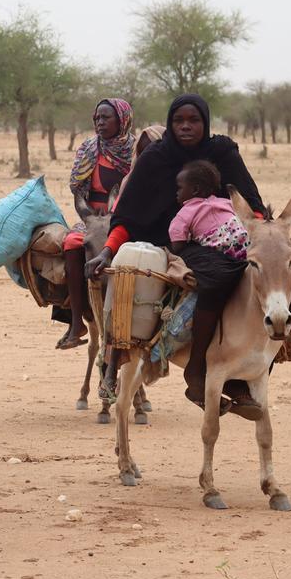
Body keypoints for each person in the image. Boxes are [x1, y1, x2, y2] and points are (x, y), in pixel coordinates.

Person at [87, 94, 267, 418]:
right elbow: (127, 217)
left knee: (267, 284)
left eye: (193, 120)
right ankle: (195, 371)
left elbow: (251, 203)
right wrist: (107, 251)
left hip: (222, 240)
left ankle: (245, 372)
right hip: (168, 245)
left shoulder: (223, 153)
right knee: (213, 279)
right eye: (178, 121)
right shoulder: (155, 158)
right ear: (170, 123)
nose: (185, 126)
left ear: (205, 122)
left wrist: (270, 240)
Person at [56, 99, 135, 350]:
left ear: (122, 120)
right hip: (91, 218)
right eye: (97, 118)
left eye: (106, 118)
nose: (100, 123)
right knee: (71, 242)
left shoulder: (136, 151)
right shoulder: (89, 149)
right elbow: (79, 191)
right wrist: (91, 217)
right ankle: (76, 321)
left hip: (127, 217)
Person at [169, 160, 250, 260]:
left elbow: (178, 246)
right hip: (247, 248)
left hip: (218, 259)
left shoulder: (183, 214)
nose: (177, 192)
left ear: (195, 190)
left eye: (179, 188)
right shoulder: (226, 203)